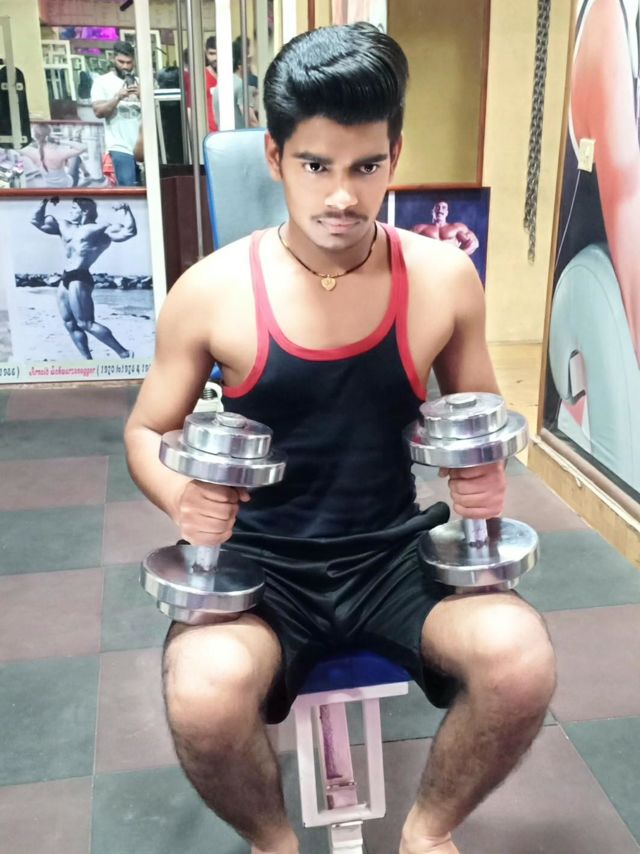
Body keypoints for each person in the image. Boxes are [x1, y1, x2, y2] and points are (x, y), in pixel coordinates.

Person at [124, 24, 556, 854]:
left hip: (395, 555)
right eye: (316, 166)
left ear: (396, 156)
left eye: (366, 167)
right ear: (275, 157)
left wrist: (485, 476)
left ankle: (428, 833)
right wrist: (181, 496)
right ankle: (273, 840)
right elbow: (147, 428)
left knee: (521, 661)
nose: (342, 197)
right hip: (263, 567)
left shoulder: (443, 279)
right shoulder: (211, 291)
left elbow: (482, 420)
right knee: (203, 696)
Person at [31, 197, 136, 360]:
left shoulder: (100, 228)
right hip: (65, 277)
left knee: (86, 323)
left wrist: (126, 210)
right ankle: (87, 361)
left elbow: (129, 232)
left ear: (85, 211)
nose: (70, 211)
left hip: (80, 277)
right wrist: (43, 201)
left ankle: (125, 353)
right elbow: (36, 221)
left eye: (74, 208)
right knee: (70, 324)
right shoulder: (65, 226)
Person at [90, 41, 142, 187]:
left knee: (149, 190)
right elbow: (99, 112)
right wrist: (117, 97)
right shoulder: (102, 82)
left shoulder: (141, 82)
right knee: (128, 188)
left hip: (143, 145)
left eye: (129, 62)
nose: (125, 66)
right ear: (113, 59)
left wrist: (142, 95)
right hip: (119, 146)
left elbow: (157, 113)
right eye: (121, 62)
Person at [20, 124, 87, 189]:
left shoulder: (32, 152)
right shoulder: (59, 152)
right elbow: (83, 148)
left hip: (50, 187)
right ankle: (86, 173)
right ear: (50, 135)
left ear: (35, 137)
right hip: (67, 186)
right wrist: (59, 141)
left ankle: (86, 173)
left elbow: (16, 147)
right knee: (76, 157)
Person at [213, 39, 260, 129]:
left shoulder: (219, 86)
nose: (249, 64)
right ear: (240, 63)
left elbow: (216, 119)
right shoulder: (241, 86)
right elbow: (250, 120)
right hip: (241, 136)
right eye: (248, 60)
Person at [412, 201, 479, 256]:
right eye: (437, 207)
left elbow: (474, 243)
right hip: (429, 262)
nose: (440, 210)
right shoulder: (419, 228)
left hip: (451, 264)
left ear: (447, 212)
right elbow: (406, 243)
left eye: (443, 207)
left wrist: (459, 256)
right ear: (432, 211)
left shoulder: (457, 227)